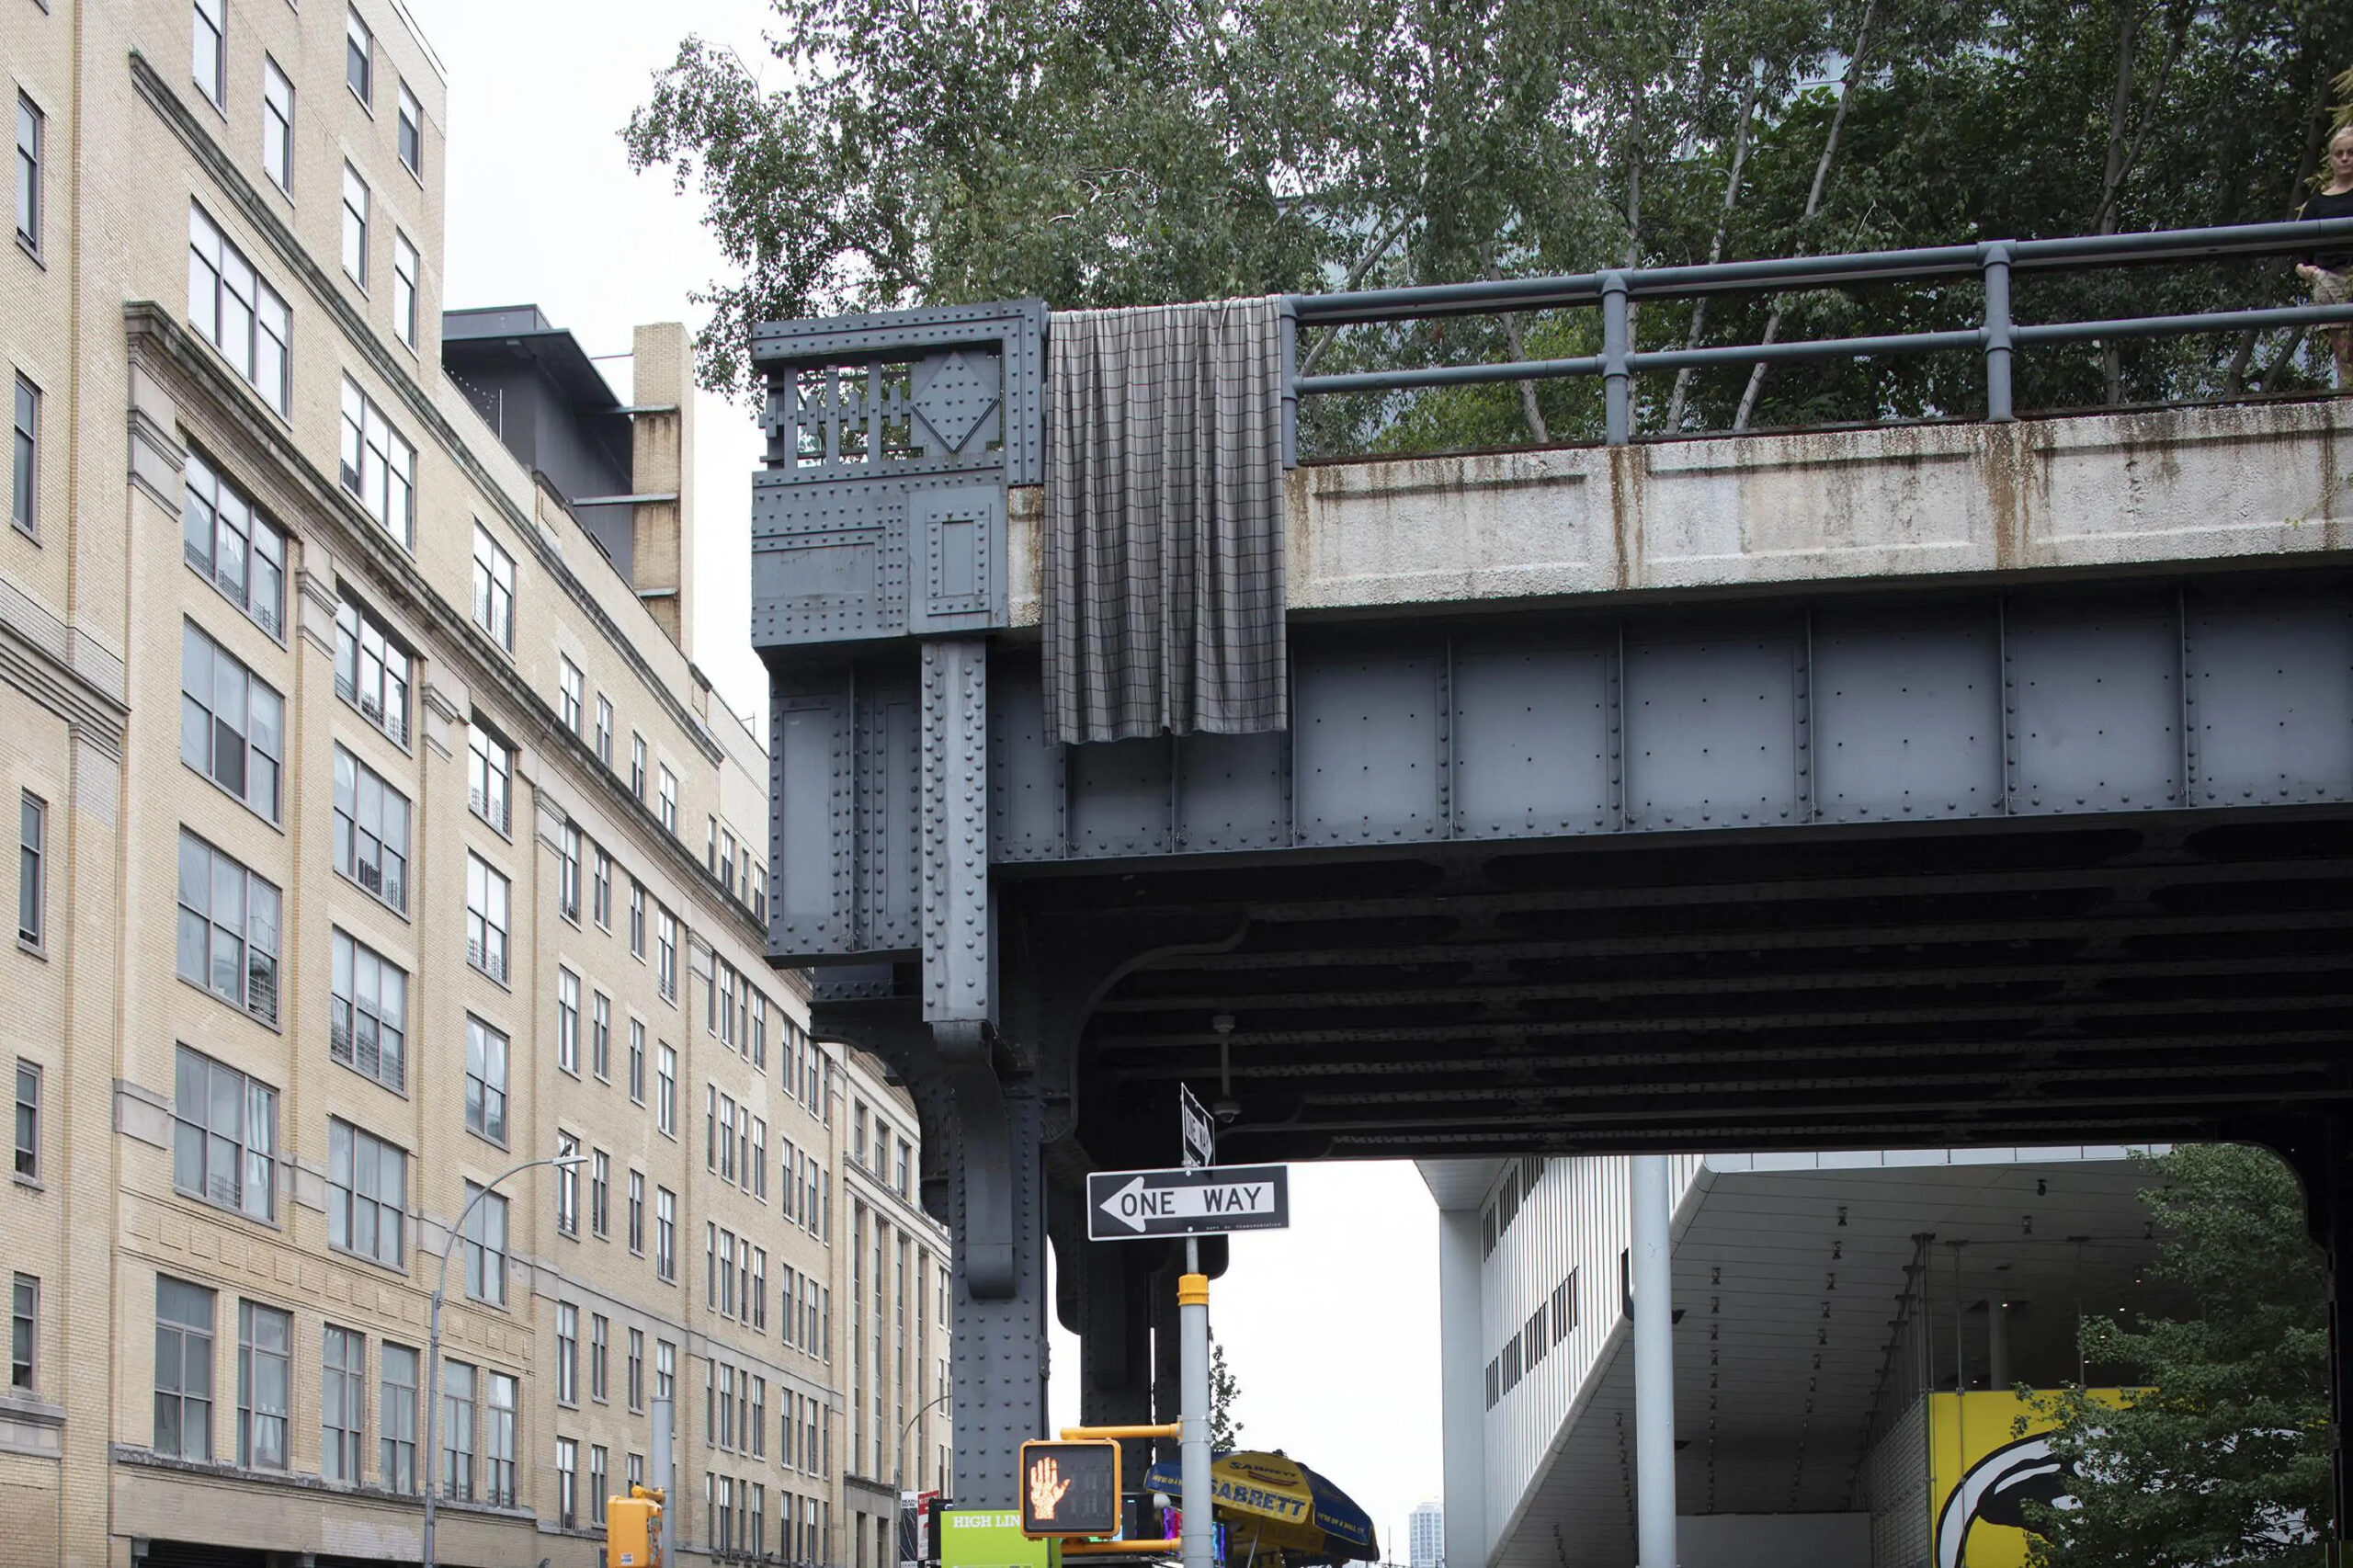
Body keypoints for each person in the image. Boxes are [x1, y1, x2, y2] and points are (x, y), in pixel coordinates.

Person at [2296, 122, 2353, 389]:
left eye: (2351, 152)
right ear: (2331, 159)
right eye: (2339, 153)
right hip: (2329, 280)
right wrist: (2308, 272)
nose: (2345, 158)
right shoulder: (2317, 203)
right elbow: (2300, 252)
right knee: (2345, 354)